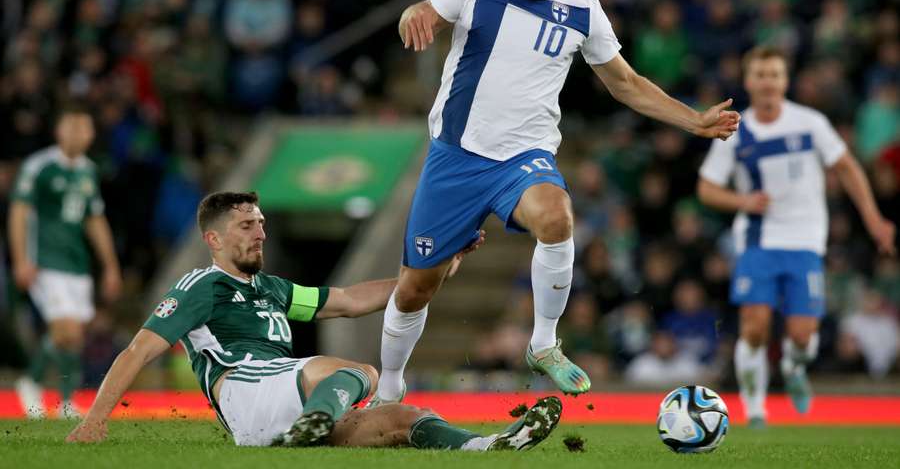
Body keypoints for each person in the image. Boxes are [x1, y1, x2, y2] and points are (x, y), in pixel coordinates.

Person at [370, 0, 740, 405]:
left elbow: (626, 84)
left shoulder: (584, 11)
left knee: (556, 216)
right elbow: (428, 15)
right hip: (455, 158)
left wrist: (692, 119)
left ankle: (544, 343)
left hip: (524, 157)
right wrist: (414, 13)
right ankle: (389, 390)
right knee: (414, 289)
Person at [66, 191, 562, 450]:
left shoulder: (270, 287)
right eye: (246, 225)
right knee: (362, 372)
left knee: (404, 421)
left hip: (283, 405)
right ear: (214, 240)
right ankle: (314, 419)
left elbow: (347, 299)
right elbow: (139, 349)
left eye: (261, 224)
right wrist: (93, 422)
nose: (259, 233)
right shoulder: (202, 286)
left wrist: (432, 273)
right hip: (247, 391)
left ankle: (491, 444)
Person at [697, 45, 896, 426]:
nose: (768, 82)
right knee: (754, 326)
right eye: (760, 74)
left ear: (785, 80)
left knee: (803, 333)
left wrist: (874, 219)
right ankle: (754, 408)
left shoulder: (810, 123)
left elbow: (848, 168)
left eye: (774, 74)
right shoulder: (736, 130)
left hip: (806, 239)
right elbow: (707, 188)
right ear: (748, 80)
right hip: (759, 240)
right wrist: (743, 200)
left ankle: (794, 365)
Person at [10, 102, 123, 419]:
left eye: (84, 128)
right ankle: (36, 387)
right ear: (59, 131)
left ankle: (57, 397)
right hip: (44, 259)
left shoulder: (88, 170)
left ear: (91, 134)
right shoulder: (39, 166)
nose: (78, 134)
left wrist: (110, 266)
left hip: (77, 263)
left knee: (73, 337)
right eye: (72, 127)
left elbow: (95, 220)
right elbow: (19, 211)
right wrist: (20, 259)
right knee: (67, 330)